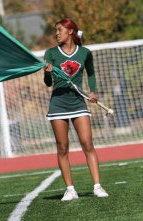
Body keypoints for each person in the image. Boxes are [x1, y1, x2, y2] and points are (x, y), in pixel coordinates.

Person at [43, 18, 109, 201]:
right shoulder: (50, 53)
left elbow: (91, 73)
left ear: (71, 31)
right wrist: (48, 72)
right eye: (56, 30)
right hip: (58, 105)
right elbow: (48, 83)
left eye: (60, 30)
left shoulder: (85, 53)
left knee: (87, 144)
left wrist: (93, 91)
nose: (56, 33)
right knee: (62, 148)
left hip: (79, 103)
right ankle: (70, 189)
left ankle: (97, 186)